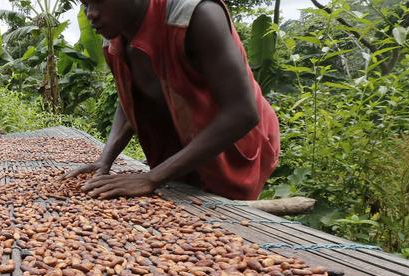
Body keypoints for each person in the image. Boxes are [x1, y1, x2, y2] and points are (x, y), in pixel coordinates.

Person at [66, 0, 280, 200]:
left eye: (100, 1)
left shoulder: (196, 15)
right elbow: (130, 98)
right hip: (182, 137)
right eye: (86, 3)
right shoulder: (114, 38)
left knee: (222, 215)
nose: (91, 14)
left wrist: (152, 178)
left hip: (235, 143)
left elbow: (242, 113)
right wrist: (105, 159)